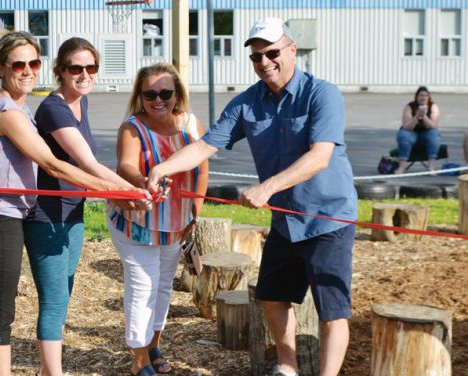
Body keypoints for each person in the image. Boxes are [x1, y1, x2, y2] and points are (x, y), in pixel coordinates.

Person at [146, 18, 357, 376]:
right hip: (286, 220)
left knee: (331, 311)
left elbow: (320, 156)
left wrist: (268, 187)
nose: (264, 62)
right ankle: (287, 366)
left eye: (272, 52)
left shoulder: (322, 93)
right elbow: (204, 146)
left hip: (328, 218)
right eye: (256, 56)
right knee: (273, 297)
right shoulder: (247, 103)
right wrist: (162, 169)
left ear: (292, 50)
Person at [0, 32, 142, 376]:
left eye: (33, 63)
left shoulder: (19, 106)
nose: (28, 70)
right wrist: (117, 191)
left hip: (9, 212)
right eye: (19, 64)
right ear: (0, 67)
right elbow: (53, 165)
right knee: (3, 307)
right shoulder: (9, 111)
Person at [22, 37, 151, 376]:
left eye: (90, 67)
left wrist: (133, 189)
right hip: (45, 218)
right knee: (54, 302)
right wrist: (130, 191)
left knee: (64, 288)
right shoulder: (53, 108)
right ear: (60, 71)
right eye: (75, 68)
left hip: (72, 213)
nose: (84, 74)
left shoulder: (81, 103)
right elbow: (88, 164)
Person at [106, 62, 209, 376]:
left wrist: (196, 212)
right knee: (143, 287)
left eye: (165, 92)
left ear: (177, 94)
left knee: (163, 285)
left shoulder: (191, 124)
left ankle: (153, 344)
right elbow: (126, 166)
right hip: (137, 221)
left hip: (176, 221)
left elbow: (202, 168)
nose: (158, 99)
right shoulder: (132, 127)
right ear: (140, 95)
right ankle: (139, 359)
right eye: (149, 93)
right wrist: (144, 180)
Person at [394, 86, 441, 174]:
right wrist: (416, 116)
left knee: (434, 134)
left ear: (429, 97)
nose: (423, 98)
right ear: (416, 97)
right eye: (421, 95)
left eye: (426, 96)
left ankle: (431, 167)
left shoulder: (433, 106)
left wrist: (424, 116)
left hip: (426, 135)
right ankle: (402, 167)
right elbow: (406, 127)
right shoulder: (410, 106)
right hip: (411, 134)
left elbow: (433, 126)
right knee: (403, 134)